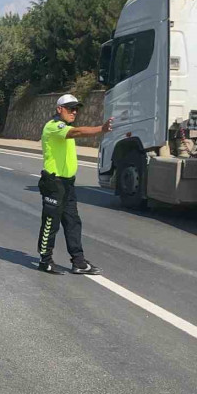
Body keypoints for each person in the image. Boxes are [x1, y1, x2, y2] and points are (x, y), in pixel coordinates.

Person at [37, 94, 113, 275]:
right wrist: (101, 129)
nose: (74, 112)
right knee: (50, 223)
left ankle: (78, 262)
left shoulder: (65, 127)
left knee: (73, 222)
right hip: (54, 183)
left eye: (76, 108)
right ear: (59, 109)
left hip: (68, 184)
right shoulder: (54, 127)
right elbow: (76, 132)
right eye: (70, 108)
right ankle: (45, 260)